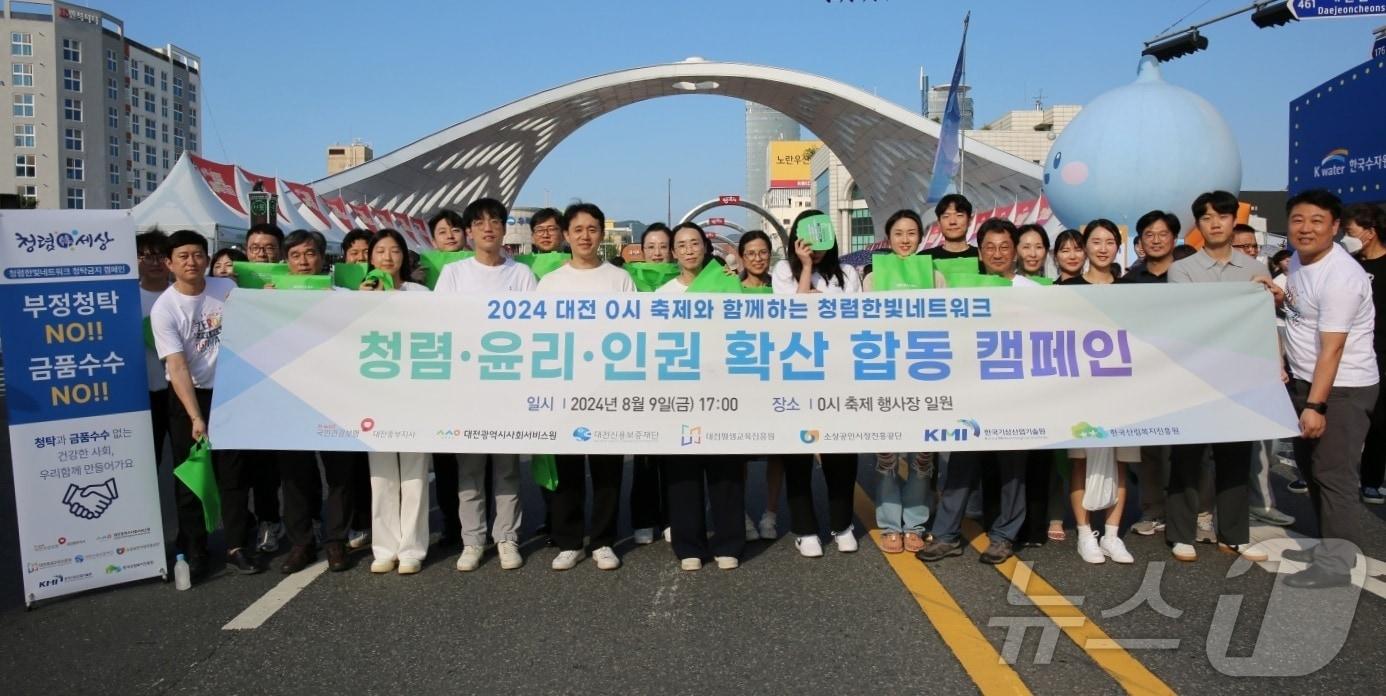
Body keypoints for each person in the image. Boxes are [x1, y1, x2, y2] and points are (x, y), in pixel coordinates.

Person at [1165, 191, 1275, 563]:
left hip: (1240, 378)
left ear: (1233, 221)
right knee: (1187, 458)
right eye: (1207, 217)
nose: (1215, 223)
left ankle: (1234, 534)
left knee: (1234, 460)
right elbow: (1188, 320)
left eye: (1222, 216)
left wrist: (1268, 297)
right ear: (1198, 225)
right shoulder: (1183, 269)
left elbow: (1262, 325)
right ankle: (1180, 534)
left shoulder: (1254, 270)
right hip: (1194, 377)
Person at [1278, 191, 1380, 589]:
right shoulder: (1301, 263)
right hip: (1307, 382)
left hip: (1341, 389)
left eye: (1317, 221)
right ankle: (1327, 545)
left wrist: (1316, 405)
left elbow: (1333, 348)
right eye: (1298, 220)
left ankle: (1336, 566)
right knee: (1312, 469)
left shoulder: (1342, 277)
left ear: (1335, 227)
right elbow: (1299, 308)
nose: (1306, 228)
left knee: (1333, 475)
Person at [434, 198, 537, 572]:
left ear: (504, 228)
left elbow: (535, 330)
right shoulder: (455, 275)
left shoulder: (521, 275)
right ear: (470, 231)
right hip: (467, 386)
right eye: (479, 223)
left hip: (507, 385)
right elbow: (441, 326)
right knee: (470, 468)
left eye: (495, 221)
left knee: (507, 467)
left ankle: (507, 537)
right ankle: (472, 540)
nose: (488, 228)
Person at [150, 230, 260, 577]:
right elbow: (177, 366)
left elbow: (254, 325)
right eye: (182, 256)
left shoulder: (225, 289)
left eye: (198, 254)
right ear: (169, 263)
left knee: (234, 473)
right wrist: (196, 416)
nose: (192, 262)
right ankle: (195, 550)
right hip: (189, 396)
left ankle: (237, 545)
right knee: (192, 476)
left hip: (229, 393)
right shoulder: (165, 309)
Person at [537, 203, 636, 571]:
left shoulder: (619, 280)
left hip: (607, 387)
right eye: (578, 229)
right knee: (568, 465)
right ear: (566, 234)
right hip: (564, 386)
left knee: (608, 467)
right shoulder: (550, 283)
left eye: (592, 229)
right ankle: (569, 540)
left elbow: (632, 333)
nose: (585, 236)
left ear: (601, 235)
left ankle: (604, 540)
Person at [771, 210, 862, 557]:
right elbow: (792, 314)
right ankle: (805, 528)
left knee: (841, 453)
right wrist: (806, 268)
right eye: (808, 242)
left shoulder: (848, 273)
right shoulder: (783, 271)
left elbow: (854, 318)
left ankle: (843, 524)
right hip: (797, 374)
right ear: (796, 239)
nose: (816, 249)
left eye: (821, 242)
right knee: (797, 454)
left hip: (839, 374)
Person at [656, 222, 746, 570]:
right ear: (674, 252)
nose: (689, 249)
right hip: (680, 392)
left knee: (725, 468)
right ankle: (688, 544)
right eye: (682, 244)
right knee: (682, 472)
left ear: (706, 248)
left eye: (696, 242)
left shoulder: (726, 282)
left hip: (722, 389)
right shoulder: (662, 295)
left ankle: (729, 542)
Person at [268, 230, 355, 573]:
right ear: (286, 261)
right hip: (289, 397)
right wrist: (261, 303)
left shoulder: (344, 296)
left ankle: (336, 541)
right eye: (296, 256)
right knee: (294, 475)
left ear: (323, 258)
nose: (304, 262)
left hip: (336, 395)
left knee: (340, 473)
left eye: (311, 254)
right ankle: (302, 542)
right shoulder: (269, 298)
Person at [862, 210, 939, 553]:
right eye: (898, 233)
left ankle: (916, 524)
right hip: (886, 378)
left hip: (925, 378)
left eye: (911, 233)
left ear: (920, 237)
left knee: (923, 456)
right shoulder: (872, 278)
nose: (905, 239)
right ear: (887, 238)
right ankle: (891, 523)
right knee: (888, 455)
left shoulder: (935, 276)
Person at [1061, 237, 1139, 564]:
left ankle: (1111, 533)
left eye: (1110, 243)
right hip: (1080, 389)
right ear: (1085, 248)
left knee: (1120, 461)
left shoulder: (1130, 291)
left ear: (1118, 249)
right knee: (1080, 460)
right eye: (1095, 242)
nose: (1102, 248)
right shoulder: (1064, 291)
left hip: (1122, 390)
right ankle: (1084, 533)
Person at [359, 229, 432, 574]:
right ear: (370, 257)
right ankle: (384, 547)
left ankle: (412, 548)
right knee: (382, 473)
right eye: (380, 251)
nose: (388, 257)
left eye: (395, 251)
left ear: (404, 256)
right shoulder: (359, 294)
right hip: (375, 394)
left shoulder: (419, 293)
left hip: (414, 391)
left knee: (415, 471)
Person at [1228, 224, 1298, 527]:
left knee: (1264, 443)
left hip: (1259, 370)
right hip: (1223, 370)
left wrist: (1278, 362)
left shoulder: (1263, 280)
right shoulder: (1220, 282)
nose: (1251, 251)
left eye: (1253, 245)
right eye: (1243, 246)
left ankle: (1262, 503)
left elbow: (1270, 326)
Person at [1117, 211, 1178, 538]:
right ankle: (1153, 509)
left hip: (1187, 377)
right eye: (1149, 235)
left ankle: (1196, 512)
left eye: (1162, 233)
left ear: (1174, 238)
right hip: (1145, 379)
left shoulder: (1189, 277)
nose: (1155, 240)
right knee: (1151, 452)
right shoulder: (1129, 282)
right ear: (1140, 242)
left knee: (1191, 449)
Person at [240, 224, 288, 556]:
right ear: (246, 251)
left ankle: (300, 522)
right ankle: (260, 522)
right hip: (244, 388)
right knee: (254, 465)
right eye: (255, 247)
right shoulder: (228, 285)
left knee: (294, 464)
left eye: (269, 247)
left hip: (288, 386)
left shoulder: (296, 282)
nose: (262, 253)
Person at [733, 230, 782, 537]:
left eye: (763, 252)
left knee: (778, 451)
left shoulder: (781, 289)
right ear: (741, 256)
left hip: (776, 380)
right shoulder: (729, 289)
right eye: (751, 253)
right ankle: (741, 515)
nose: (757, 258)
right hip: (739, 381)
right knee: (738, 451)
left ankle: (770, 513)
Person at [630, 222, 674, 545]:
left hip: (675, 377)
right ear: (641, 250)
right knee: (644, 454)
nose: (657, 253)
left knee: (673, 454)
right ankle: (644, 518)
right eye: (651, 247)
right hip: (639, 379)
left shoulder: (692, 279)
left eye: (662, 247)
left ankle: (672, 517)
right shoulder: (627, 280)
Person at [1343, 203, 1386, 504]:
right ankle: (1327, 473)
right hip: (1347, 350)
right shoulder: (1348, 264)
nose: (1347, 237)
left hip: (1381, 350)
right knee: (1339, 417)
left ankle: (1371, 479)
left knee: (1380, 419)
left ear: (1370, 233)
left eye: (1351, 232)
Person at [336, 228, 374, 551]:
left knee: (373, 458)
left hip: (377, 385)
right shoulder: (334, 288)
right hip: (344, 386)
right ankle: (349, 523)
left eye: (366, 252)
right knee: (346, 462)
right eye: (354, 253)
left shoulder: (389, 288)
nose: (360, 258)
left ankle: (368, 520)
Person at [136, 231, 170, 476]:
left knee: (189, 455)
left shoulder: (181, 294)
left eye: (160, 256)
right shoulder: (125, 298)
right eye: (148, 256)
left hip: (182, 390)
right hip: (144, 392)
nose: (156, 263)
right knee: (148, 459)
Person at [922, 194, 979, 276]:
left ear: (969, 220)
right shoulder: (925, 259)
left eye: (959, 215)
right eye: (946, 216)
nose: (952, 221)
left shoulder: (983, 257)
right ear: (938, 223)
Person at [1058, 219, 1121, 285]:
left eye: (1110, 243)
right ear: (1085, 246)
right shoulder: (1068, 287)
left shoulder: (1129, 286)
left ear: (1118, 247)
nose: (1103, 250)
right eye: (1096, 242)